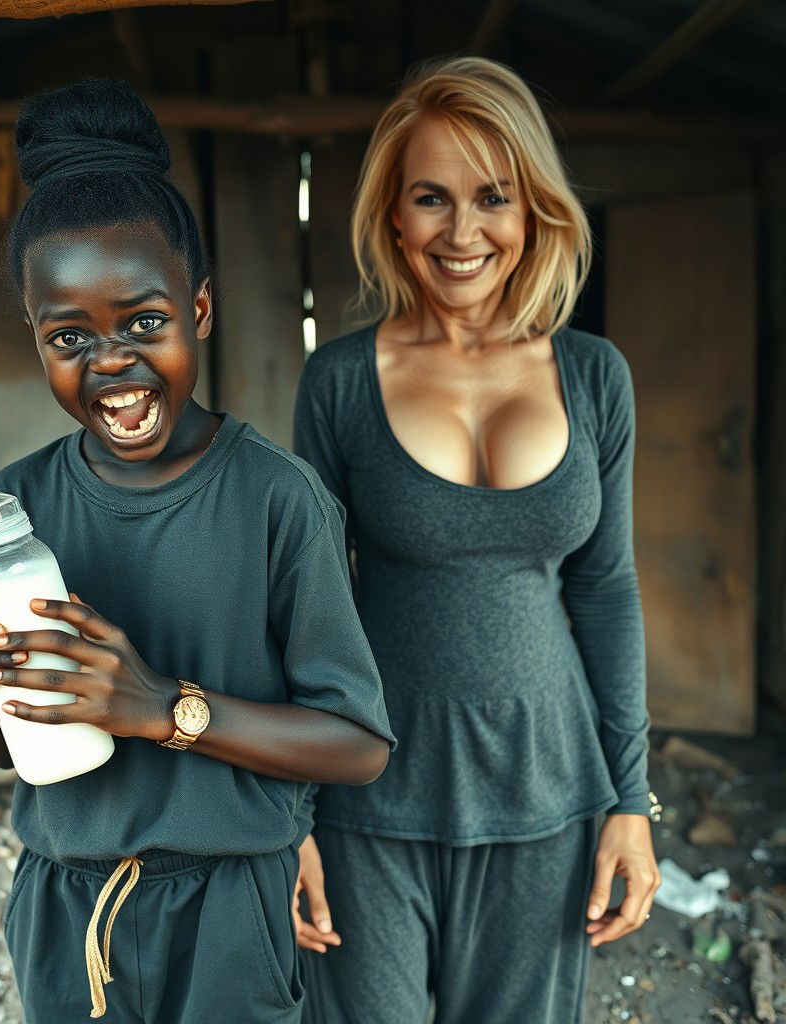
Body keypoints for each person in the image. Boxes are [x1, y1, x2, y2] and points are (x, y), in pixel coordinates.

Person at [0, 78, 394, 1024]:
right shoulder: (20, 505)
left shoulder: (277, 498)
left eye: (145, 321)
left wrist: (160, 710)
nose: (112, 361)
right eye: (71, 336)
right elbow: (9, 752)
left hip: (229, 911)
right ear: (36, 336)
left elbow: (356, 746)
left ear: (201, 309)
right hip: (64, 906)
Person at [292, 57, 660, 1024]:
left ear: (534, 206)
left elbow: (606, 592)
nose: (463, 232)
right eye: (431, 198)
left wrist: (632, 800)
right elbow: (304, 604)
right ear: (394, 214)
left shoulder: (592, 375)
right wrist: (293, 820)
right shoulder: (337, 382)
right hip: (369, 792)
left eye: (492, 196)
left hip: (549, 792)